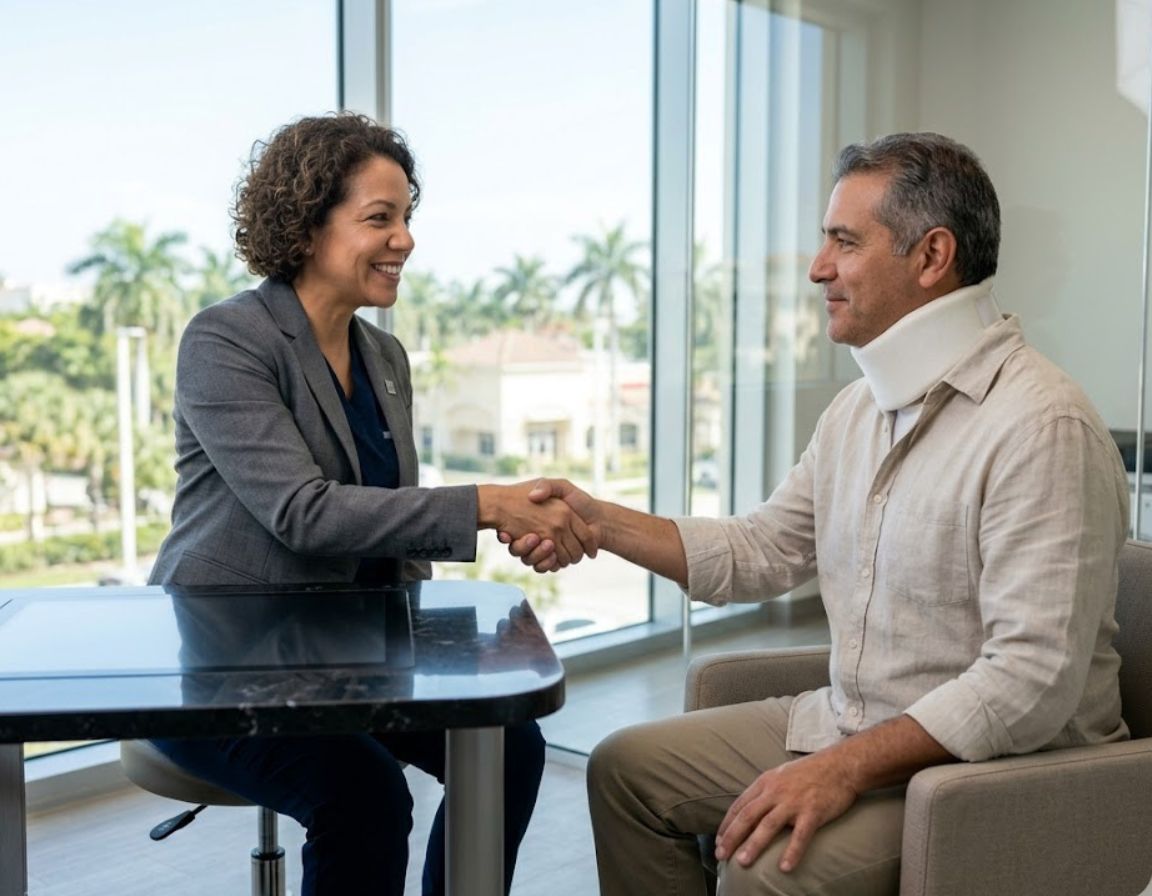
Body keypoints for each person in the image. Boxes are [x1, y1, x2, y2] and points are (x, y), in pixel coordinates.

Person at [507, 132, 1130, 895]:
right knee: (626, 771)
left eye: (843, 241)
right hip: (855, 724)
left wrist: (842, 769)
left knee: (766, 867)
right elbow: (760, 551)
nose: (817, 269)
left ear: (932, 257)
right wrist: (596, 520)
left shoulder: (1042, 425)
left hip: (996, 774)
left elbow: (1030, 681)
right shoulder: (857, 413)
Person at [147, 112, 596, 896]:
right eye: (379, 219)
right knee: (364, 795)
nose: (405, 240)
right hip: (231, 662)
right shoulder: (226, 341)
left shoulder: (382, 355)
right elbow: (306, 513)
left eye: (407, 218)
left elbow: (392, 520)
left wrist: (455, 619)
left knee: (510, 742)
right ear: (307, 225)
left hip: (356, 655)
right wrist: (489, 506)